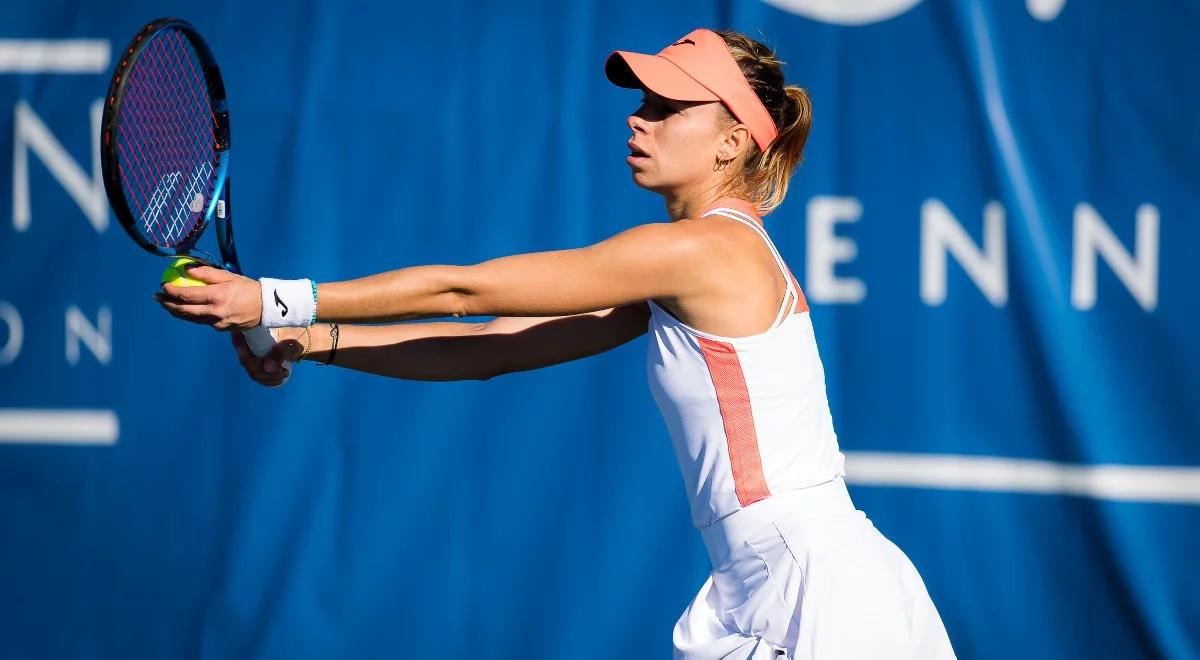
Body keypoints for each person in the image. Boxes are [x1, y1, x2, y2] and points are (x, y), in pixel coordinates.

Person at [157, 28, 955, 660]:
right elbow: (493, 346)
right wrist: (313, 340)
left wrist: (272, 297)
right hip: (784, 584)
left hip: (818, 596)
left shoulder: (707, 251)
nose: (639, 117)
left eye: (671, 107)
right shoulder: (694, 267)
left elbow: (468, 291)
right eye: (644, 100)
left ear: (733, 143)